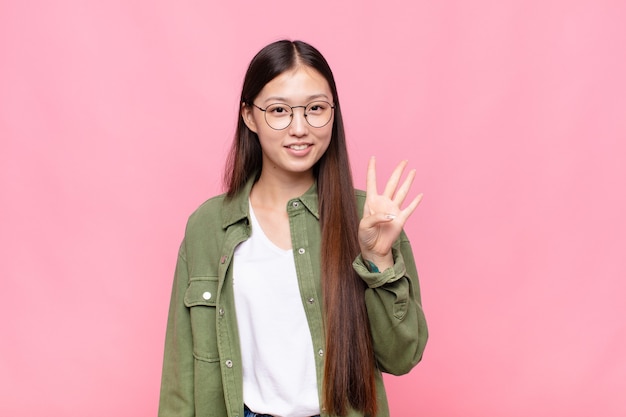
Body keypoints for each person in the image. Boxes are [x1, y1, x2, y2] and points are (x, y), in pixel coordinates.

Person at [158, 39, 428, 417]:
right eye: (279, 110)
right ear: (249, 116)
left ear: (333, 113)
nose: (299, 128)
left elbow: (402, 356)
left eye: (315, 108)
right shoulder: (208, 227)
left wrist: (378, 263)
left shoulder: (369, 219)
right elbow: (180, 379)